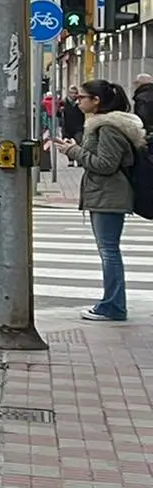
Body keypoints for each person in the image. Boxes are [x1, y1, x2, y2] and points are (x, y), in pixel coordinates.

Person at [51, 79, 143, 324]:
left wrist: (74, 152)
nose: (77, 101)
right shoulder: (101, 125)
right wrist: (77, 149)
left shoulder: (107, 128)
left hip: (109, 195)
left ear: (96, 101)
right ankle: (112, 304)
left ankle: (113, 306)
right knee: (109, 251)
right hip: (104, 193)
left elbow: (105, 164)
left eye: (81, 97)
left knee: (109, 251)